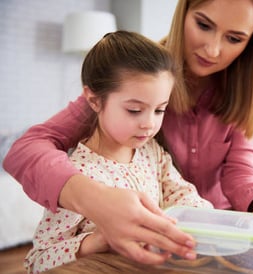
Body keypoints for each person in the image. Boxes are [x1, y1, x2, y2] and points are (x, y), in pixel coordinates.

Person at [4, 0, 253, 265]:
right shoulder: (128, 79)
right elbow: (26, 149)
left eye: (234, 38)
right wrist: (93, 198)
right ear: (184, 13)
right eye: (204, 25)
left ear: (251, 43)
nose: (213, 49)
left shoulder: (159, 149)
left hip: (210, 243)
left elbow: (238, 173)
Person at [24, 30, 213, 273]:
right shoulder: (76, 175)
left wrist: (201, 220)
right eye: (135, 110)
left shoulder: (151, 151)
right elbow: (36, 261)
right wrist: (94, 242)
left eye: (159, 110)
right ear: (94, 100)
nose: (149, 124)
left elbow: (180, 192)